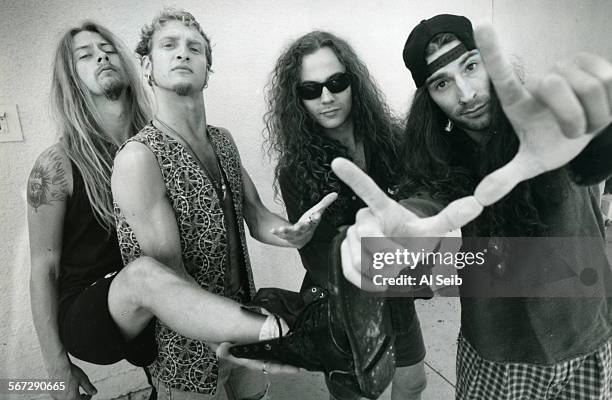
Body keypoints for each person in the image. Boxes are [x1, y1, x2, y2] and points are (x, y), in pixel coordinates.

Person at [332, 14, 612, 400]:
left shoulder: (545, 125)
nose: (466, 94)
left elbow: (591, 156)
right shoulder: (442, 158)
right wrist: (387, 237)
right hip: (499, 355)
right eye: (442, 83)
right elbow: (426, 205)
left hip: (589, 337)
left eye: (471, 66)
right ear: (428, 98)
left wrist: (597, 133)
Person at [111, 9, 334, 400]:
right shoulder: (140, 157)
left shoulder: (223, 141)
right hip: (186, 355)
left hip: (241, 322)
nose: (182, 54)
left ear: (207, 69)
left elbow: (258, 217)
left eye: (193, 48)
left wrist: (294, 234)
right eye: (169, 46)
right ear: (147, 65)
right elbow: (171, 280)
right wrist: (257, 331)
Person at [264, 31, 427, 400]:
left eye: (337, 83)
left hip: (395, 289)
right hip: (344, 304)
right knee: (358, 392)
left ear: (353, 82)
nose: (326, 97)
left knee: (413, 381)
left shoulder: (390, 140)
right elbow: (317, 257)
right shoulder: (295, 168)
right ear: (297, 98)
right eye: (310, 89)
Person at [27, 22, 152, 400]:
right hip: (87, 312)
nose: (102, 55)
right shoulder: (55, 166)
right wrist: (56, 369)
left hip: (152, 305)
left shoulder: (157, 145)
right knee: (147, 275)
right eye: (85, 55)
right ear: (71, 80)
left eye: (108, 49)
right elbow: (42, 269)